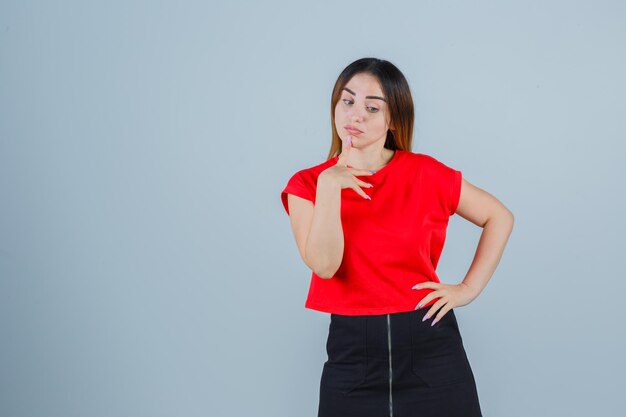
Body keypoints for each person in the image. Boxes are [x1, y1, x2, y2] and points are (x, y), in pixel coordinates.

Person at [279, 57, 514, 417]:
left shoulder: (426, 173)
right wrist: (330, 186)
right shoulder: (308, 184)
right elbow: (325, 267)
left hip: (431, 348)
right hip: (351, 355)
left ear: (392, 119)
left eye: (372, 107)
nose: (355, 115)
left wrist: (467, 289)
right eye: (348, 101)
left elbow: (499, 216)